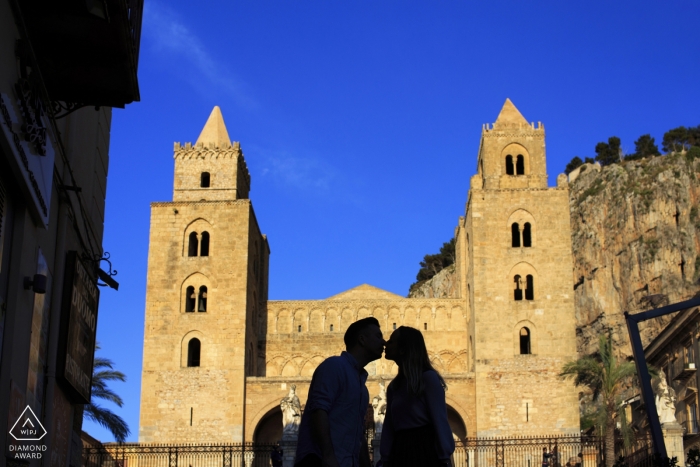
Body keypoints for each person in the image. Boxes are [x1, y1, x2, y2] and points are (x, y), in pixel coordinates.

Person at [295, 317, 385, 467]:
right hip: (322, 462)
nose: (383, 342)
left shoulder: (362, 387)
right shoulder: (334, 366)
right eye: (378, 336)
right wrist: (328, 456)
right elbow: (318, 410)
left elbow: (358, 434)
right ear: (362, 340)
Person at [379, 326, 455, 467]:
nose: (385, 343)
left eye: (392, 341)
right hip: (400, 450)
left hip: (424, 450)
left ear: (403, 349)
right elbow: (388, 427)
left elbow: (440, 420)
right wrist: (385, 458)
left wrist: (445, 457)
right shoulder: (394, 387)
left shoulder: (428, 379)